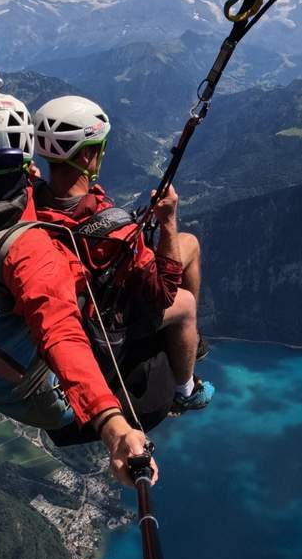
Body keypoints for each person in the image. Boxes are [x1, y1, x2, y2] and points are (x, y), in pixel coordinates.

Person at [0, 92, 156, 487]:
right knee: (156, 367)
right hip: (46, 392)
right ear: (28, 152)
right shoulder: (29, 249)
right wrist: (113, 424)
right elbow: (60, 332)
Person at [32, 95, 214, 413]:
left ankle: (190, 342)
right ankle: (186, 389)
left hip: (68, 302)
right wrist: (168, 222)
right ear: (88, 155)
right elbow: (162, 293)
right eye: (100, 149)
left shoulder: (31, 201)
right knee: (184, 304)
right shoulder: (113, 229)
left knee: (191, 244)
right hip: (101, 322)